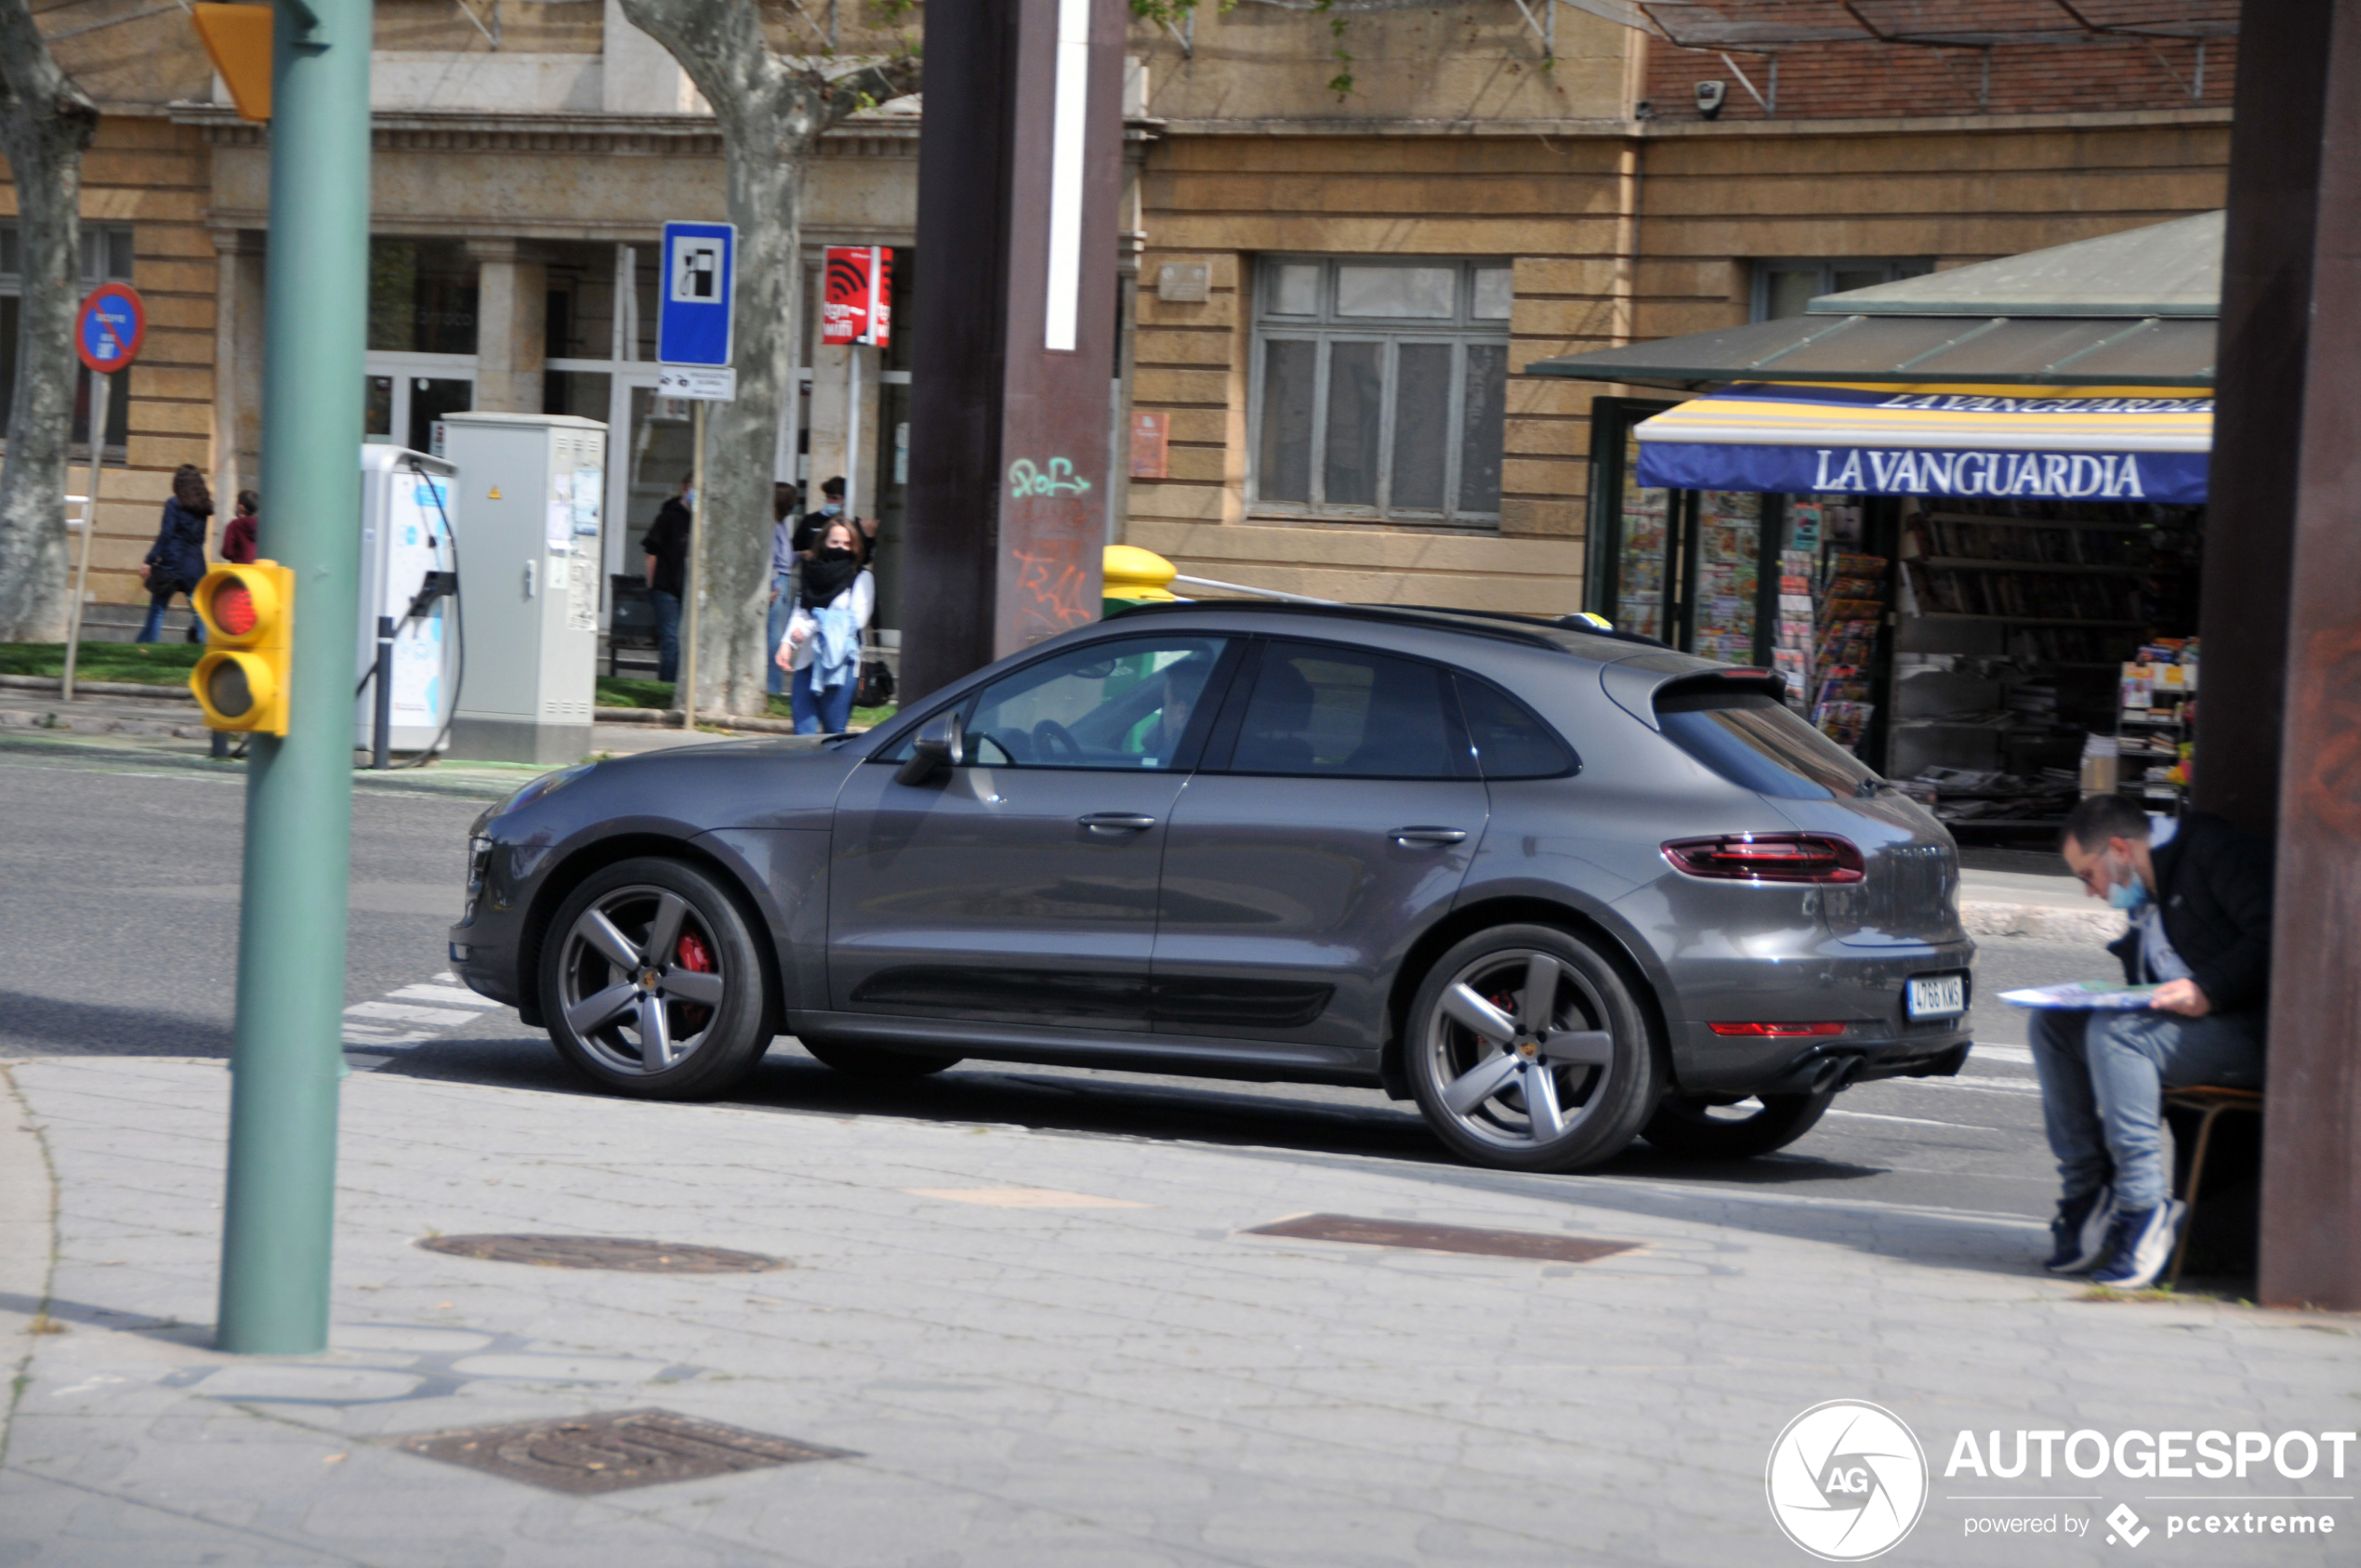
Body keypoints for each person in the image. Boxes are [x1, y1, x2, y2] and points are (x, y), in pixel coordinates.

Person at [2031, 795, 2274, 1290]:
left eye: (2088, 874)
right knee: (2051, 1024)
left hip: (2256, 1036)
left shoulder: (2211, 849)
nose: (2091, 892)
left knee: (2117, 1034)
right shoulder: (2142, 892)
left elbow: (2277, 933)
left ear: (2120, 849)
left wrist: (2210, 988)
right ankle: (2087, 1192)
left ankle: (2142, 1210)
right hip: (2186, 1034)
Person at [776, 518, 873, 734]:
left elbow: (855, 619)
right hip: (808, 662)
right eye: (835, 542)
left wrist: (810, 628)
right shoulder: (812, 572)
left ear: (855, 547)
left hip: (841, 664)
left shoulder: (861, 577)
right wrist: (787, 643)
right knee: (803, 731)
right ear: (823, 543)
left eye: (847, 544)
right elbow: (801, 610)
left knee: (834, 732)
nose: (841, 548)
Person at [138, 465, 214, 643]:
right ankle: (206, 644)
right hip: (195, 562)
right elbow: (200, 538)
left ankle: (147, 642)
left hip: (172, 561)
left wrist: (150, 560)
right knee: (199, 608)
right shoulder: (204, 508)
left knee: (158, 607)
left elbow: (166, 534)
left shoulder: (174, 504)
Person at [640, 472, 693, 686]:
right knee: (671, 641)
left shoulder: (702, 520)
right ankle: (667, 685)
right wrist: (652, 585)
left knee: (685, 642)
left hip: (688, 589)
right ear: (684, 488)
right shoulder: (669, 517)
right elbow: (651, 551)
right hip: (667, 588)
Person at [766, 481, 799, 697]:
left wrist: (801, 555)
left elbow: (786, 559)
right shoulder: (772, 526)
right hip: (778, 582)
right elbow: (769, 558)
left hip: (783, 580)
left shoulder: (781, 525)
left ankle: (773, 686)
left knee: (776, 636)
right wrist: (771, 585)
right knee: (775, 639)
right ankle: (772, 687)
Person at [220, 490, 259, 566]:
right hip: (259, 570)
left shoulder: (234, 525)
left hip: (240, 569)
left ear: (241, 507)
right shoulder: (262, 525)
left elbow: (227, 552)